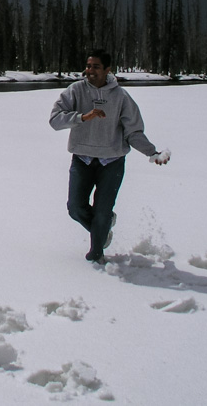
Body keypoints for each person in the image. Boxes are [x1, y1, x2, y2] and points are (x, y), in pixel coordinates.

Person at [49, 50, 170, 264]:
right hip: (82, 160)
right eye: (88, 66)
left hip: (111, 163)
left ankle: (96, 255)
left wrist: (152, 153)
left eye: (96, 66)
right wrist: (83, 117)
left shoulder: (121, 97)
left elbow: (133, 132)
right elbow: (55, 119)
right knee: (75, 208)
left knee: (102, 212)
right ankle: (103, 230)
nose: (90, 70)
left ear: (107, 70)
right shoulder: (75, 91)